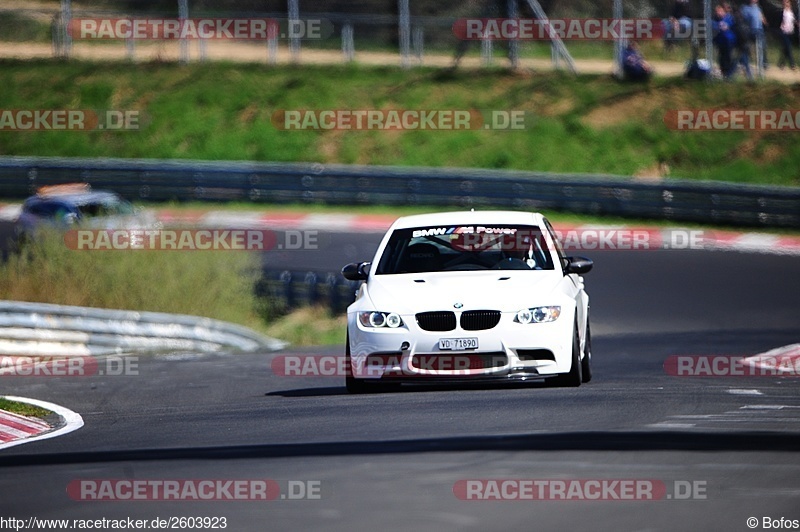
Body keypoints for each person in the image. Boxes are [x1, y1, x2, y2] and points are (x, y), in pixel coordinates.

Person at [741, 0, 768, 71]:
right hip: (750, 30)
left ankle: (763, 63)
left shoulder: (758, 8)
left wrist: (764, 21)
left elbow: (761, 17)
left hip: (759, 29)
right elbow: (744, 20)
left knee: (762, 45)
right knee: (746, 46)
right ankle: (744, 62)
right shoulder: (745, 8)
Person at [713, 4, 738, 78]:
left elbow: (726, 27)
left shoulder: (729, 18)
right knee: (721, 59)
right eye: (717, 11)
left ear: (724, 11)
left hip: (729, 41)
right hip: (720, 42)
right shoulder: (716, 20)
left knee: (728, 58)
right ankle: (724, 74)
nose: (718, 13)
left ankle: (729, 74)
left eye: (720, 11)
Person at [778, 0, 797, 70]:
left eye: (787, 2)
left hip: (790, 32)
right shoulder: (783, 12)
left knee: (786, 49)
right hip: (784, 32)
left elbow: (794, 21)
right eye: (784, 2)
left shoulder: (792, 12)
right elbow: (780, 21)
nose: (786, 3)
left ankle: (781, 63)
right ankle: (792, 64)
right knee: (788, 48)